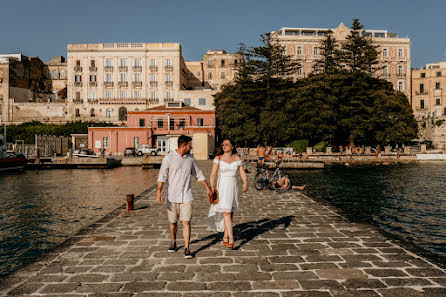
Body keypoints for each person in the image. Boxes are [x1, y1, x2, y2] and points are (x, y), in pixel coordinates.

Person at [156, 135, 212, 259]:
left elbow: (198, 174)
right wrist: (159, 192)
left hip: (186, 195)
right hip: (172, 196)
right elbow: (162, 176)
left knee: (186, 222)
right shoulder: (169, 158)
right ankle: (173, 242)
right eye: (189, 145)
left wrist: (207, 188)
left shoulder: (190, 159)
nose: (191, 147)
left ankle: (187, 248)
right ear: (183, 146)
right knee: (173, 222)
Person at [207, 139, 248, 249]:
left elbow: (242, 172)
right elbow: (213, 174)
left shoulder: (237, 159)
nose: (224, 146)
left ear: (232, 146)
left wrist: (245, 182)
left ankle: (225, 235)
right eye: (223, 144)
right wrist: (211, 188)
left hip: (233, 187)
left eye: (227, 144)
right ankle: (231, 238)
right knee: (226, 213)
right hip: (222, 188)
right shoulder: (218, 158)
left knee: (230, 213)